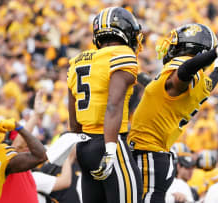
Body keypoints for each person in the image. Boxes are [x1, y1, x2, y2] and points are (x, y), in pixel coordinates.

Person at [127, 23, 218, 203]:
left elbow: (184, 71)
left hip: (149, 153)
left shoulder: (183, 72)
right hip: (153, 154)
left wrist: (215, 53)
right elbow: (205, 84)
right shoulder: (199, 82)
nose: (170, 47)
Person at [67, 6, 143, 203]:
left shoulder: (76, 61)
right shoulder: (122, 54)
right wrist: (110, 148)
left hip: (85, 146)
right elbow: (113, 104)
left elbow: (73, 119)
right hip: (110, 141)